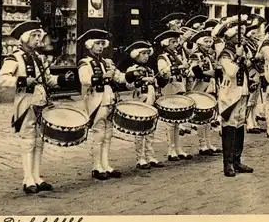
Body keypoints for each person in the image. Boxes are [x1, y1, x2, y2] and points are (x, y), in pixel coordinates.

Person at [0, 20, 74, 194]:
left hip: (41, 103)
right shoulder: (14, 57)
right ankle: (27, 179)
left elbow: (48, 80)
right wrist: (22, 80)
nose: (38, 39)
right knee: (28, 141)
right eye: (35, 36)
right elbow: (1, 80)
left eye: (39, 36)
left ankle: (37, 177)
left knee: (39, 141)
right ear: (25, 38)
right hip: (26, 104)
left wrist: (62, 79)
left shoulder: (39, 58)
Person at [78, 29, 138, 180]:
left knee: (108, 134)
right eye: (97, 43)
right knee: (98, 134)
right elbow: (85, 79)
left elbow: (119, 78)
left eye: (102, 44)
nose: (100, 47)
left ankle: (106, 165)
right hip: (96, 101)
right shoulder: (85, 62)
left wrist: (132, 75)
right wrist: (102, 76)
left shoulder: (107, 62)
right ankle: (97, 167)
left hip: (109, 100)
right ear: (90, 45)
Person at [214, 15, 254, 177]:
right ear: (230, 36)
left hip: (241, 92)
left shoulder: (240, 51)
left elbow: (247, 67)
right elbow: (231, 72)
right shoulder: (225, 54)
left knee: (239, 125)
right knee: (229, 126)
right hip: (230, 94)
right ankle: (228, 164)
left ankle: (237, 161)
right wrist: (238, 56)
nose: (243, 38)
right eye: (239, 35)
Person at [125, 40, 165, 170]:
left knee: (150, 130)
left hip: (151, 101)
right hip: (139, 102)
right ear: (136, 55)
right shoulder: (132, 69)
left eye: (148, 53)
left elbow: (156, 85)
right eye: (143, 54)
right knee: (140, 130)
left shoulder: (150, 69)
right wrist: (141, 80)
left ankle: (150, 155)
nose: (146, 56)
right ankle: (140, 157)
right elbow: (129, 85)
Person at [155, 30, 193, 161]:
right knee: (171, 121)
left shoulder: (177, 55)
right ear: (166, 43)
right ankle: (171, 149)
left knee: (178, 120)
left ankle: (178, 147)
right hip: (169, 87)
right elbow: (162, 72)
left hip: (179, 86)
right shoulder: (163, 57)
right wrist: (179, 68)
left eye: (176, 41)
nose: (176, 44)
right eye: (173, 42)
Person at [186, 29, 222, 155]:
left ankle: (209, 143)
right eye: (205, 42)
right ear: (199, 43)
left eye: (209, 41)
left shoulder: (209, 55)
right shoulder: (196, 55)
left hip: (211, 87)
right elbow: (193, 72)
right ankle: (202, 145)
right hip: (201, 88)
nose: (208, 44)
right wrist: (208, 73)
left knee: (209, 117)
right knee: (202, 117)